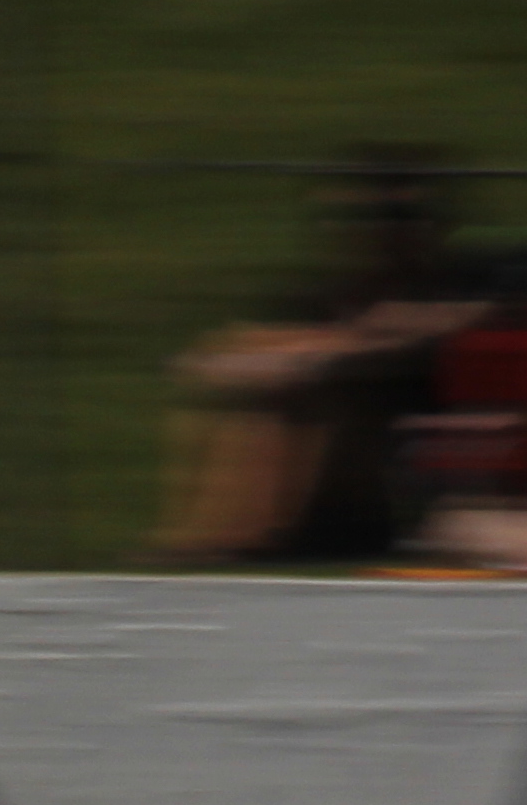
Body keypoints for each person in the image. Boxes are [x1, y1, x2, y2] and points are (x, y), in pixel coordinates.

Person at [151, 152, 516, 563]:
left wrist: (330, 352)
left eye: (400, 217)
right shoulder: (336, 293)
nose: (384, 232)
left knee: (316, 400)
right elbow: (284, 344)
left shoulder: (460, 279)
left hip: (414, 421)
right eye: (370, 218)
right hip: (376, 416)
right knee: (271, 401)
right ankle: (218, 537)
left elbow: (426, 324)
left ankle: (252, 537)